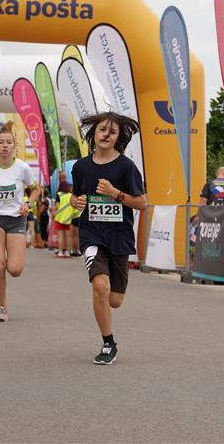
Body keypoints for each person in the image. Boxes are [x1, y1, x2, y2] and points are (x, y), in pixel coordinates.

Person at [71, 112, 147, 365]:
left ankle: (108, 332)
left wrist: (115, 193)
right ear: (94, 132)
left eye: (112, 132)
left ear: (118, 138)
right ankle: (108, 343)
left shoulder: (126, 167)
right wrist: (76, 202)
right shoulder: (81, 167)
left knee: (114, 300)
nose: (106, 135)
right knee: (100, 286)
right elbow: (75, 196)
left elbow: (142, 203)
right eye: (102, 129)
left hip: (119, 236)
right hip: (92, 234)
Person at [0, 121, 39, 322]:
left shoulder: (23, 167)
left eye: (8, 142)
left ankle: (4, 299)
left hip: (16, 219)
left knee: (15, 269)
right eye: (1, 142)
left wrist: (28, 203)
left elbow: (36, 190)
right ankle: (2, 308)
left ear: (14, 146)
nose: (4, 146)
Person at [200, 166, 224, 231]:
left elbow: (203, 201)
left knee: (211, 234)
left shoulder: (209, 184)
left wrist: (200, 215)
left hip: (210, 215)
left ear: (216, 173)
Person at [53, 181, 74, 258]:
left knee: (61, 236)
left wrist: (53, 210)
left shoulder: (59, 195)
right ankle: (68, 252)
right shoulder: (71, 195)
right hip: (69, 218)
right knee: (68, 237)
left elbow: (57, 206)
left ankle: (60, 252)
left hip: (60, 218)